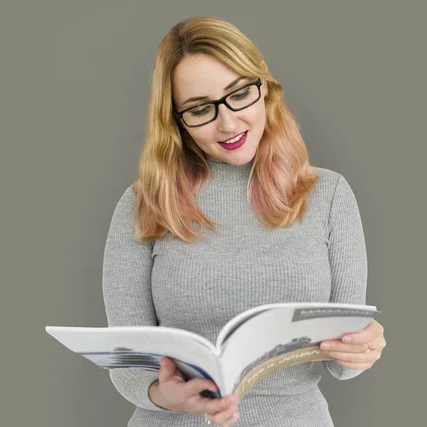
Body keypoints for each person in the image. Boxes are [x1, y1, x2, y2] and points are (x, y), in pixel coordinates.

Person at [101, 15, 386, 427]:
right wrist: (169, 395)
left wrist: (362, 348)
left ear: (264, 89)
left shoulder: (328, 195)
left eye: (239, 94)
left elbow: (344, 364)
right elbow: (129, 367)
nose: (229, 122)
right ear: (176, 121)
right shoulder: (142, 204)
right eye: (200, 109)